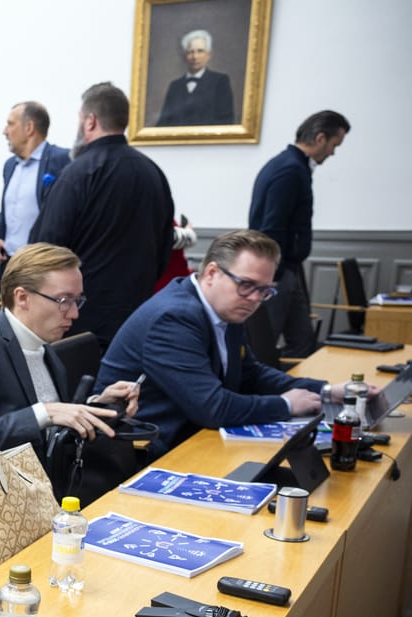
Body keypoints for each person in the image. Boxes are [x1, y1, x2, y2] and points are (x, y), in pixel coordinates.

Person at [96, 229, 370, 457]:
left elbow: (251, 374)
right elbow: (212, 408)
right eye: (246, 285)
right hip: (147, 449)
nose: (254, 299)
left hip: (197, 437)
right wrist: (285, 405)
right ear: (212, 273)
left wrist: (324, 391)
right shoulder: (174, 317)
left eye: (264, 291)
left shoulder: (224, 308)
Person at [0, 243, 139, 451]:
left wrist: (98, 404)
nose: (74, 314)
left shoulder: (43, 343)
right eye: (64, 300)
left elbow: (54, 417)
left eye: (76, 301)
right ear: (22, 297)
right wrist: (44, 413)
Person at [31, 82, 174, 350]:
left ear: (90, 121)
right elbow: (165, 247)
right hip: (137, 316)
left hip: (81, 322)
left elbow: (45, 249)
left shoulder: (78, 174)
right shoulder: (153, 173)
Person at [248, 110, 351, 359]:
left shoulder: (289, 165)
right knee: (262, 346)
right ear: (320, 138)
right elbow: (272, 227)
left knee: (302, 343)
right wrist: (271, 273)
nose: (333, 153)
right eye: (334, 145)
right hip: (278, 272)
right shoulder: (290, 170)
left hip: (285, 269)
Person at [0, 102, 72, 265]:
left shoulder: (62, 160)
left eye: (10, 124)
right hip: (10, 263)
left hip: (43, 265)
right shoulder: (10, 166)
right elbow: (7, 210)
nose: (5, 131)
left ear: (29, 128)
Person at [156, 29, 236, 127]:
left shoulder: (220, 82)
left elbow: (226, 121)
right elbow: (163, 123)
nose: (195, 57)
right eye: (190, 52)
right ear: (185, 56)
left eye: (200, 51)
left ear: (208, 55)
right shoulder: (175, 86)